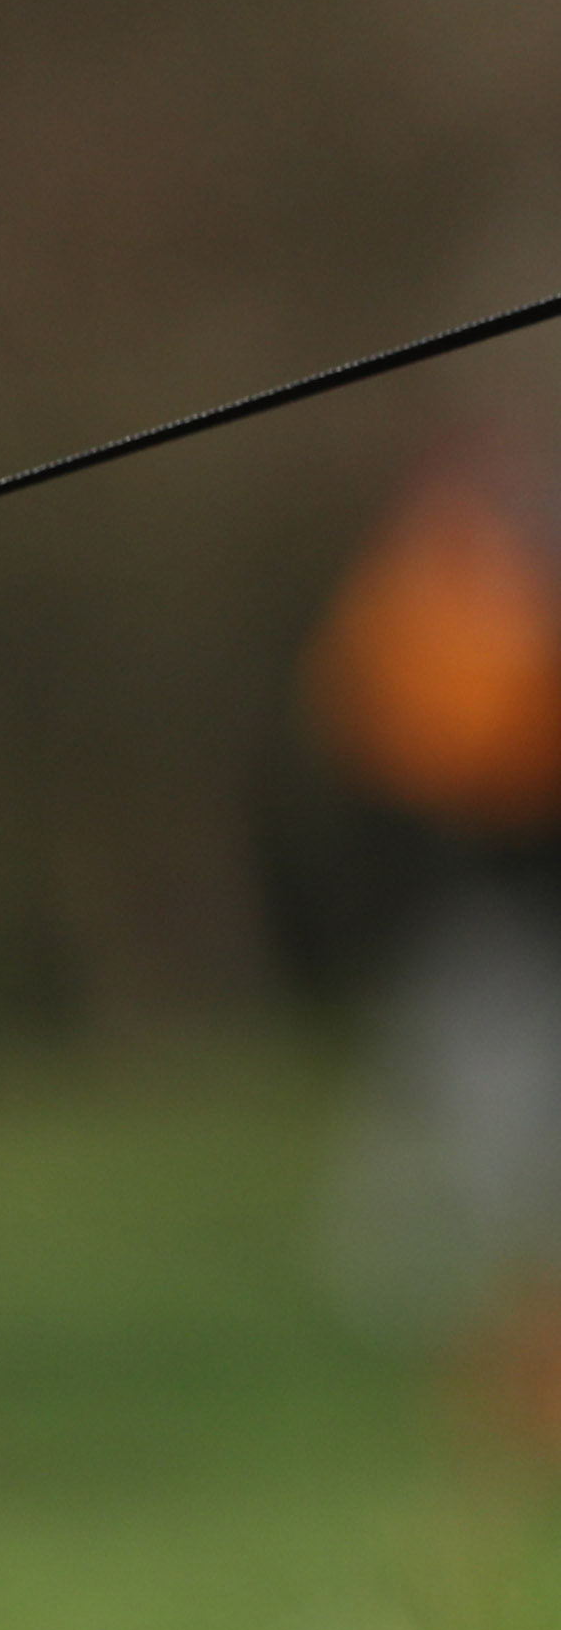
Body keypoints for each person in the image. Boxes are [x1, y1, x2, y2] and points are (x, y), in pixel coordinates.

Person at [294, 448, 561, 1434]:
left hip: (504, 934)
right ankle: (500, 1376)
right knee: (477, 1184)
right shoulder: (430, 614)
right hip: (498, 928)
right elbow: (419, 743)